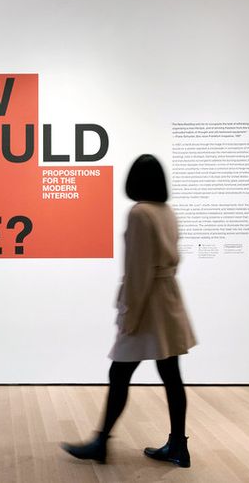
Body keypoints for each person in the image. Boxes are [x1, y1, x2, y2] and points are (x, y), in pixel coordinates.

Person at [61, 154, 197, 467]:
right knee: (171, 375)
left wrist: (128, 316)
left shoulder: (139, 213)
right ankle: (177, 445)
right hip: (169, 301)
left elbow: (137, 272)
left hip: (148, 306)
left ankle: (101, 442)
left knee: (119, 372)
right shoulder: (167, 212)